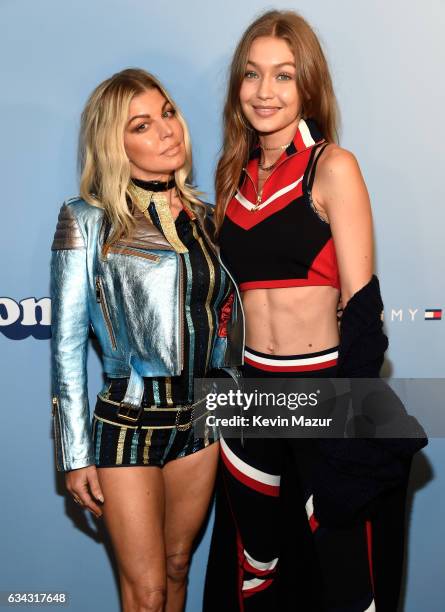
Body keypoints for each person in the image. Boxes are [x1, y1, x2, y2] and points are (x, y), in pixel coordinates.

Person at [204, 10, 426, 612]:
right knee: (256, 570)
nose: (264, 91)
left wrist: (348, 420)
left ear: (307, 84)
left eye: (282, 75)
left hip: (322, 392)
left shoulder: (333, 167)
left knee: (343, 578)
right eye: (252, 75)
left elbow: (361, 306)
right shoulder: (232, 178)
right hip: (253, 398)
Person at [50, 68, 243, 612]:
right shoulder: (85, 220)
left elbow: (228, 322)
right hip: (130, 421)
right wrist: (73, 452)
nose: (166, 130)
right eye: (142, 124)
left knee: (179, 567)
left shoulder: (209, 220)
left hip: (202, 422)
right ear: (116, 144)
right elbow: (66, 346)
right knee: (148, 591)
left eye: (168, 113)